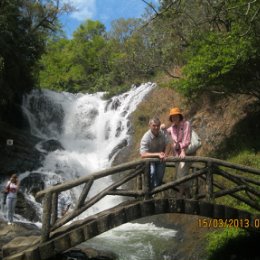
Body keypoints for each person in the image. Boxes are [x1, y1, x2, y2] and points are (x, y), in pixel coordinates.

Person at [165, 107, 193, 198]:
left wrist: (183, 151)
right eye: (172, 117)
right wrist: (162, 126)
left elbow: (187, 139)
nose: (174, 118)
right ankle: (188, 196)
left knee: (181, 174)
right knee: (181, 174)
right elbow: (165, 130)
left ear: (180, 116)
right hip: (177, 154)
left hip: (186, 152)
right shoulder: (172, 128)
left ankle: (179, 196)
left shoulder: (186, 124)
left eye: (176, 116)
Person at [140, 117, 171, 189]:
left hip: (161, 159)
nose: (156, 127)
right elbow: (143, 154)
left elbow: (168, 144)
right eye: (154, 125)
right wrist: (157, 154)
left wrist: (166, 154)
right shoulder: (146, 137)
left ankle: (155, 192)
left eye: (157, 125)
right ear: (149, 125)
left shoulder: (162, 133)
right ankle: (149, 192)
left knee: (160, 176)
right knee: (152, 173)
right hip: (149, 160)